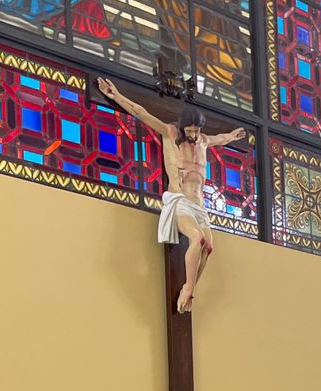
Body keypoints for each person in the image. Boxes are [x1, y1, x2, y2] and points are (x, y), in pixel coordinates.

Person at [95, 78, 247, 314]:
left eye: (197, 130)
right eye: (190, 130)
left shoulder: (204, 141)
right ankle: (188, 288)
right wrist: (115, 95)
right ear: (182, 127)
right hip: (180, 200)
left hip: (200, 205)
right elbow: (141, 113)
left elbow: (222, 138)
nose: (193, 135)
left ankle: (190, 289)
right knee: (198, 239)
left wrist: (234, 135)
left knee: (209, 248)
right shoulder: (169, 132)